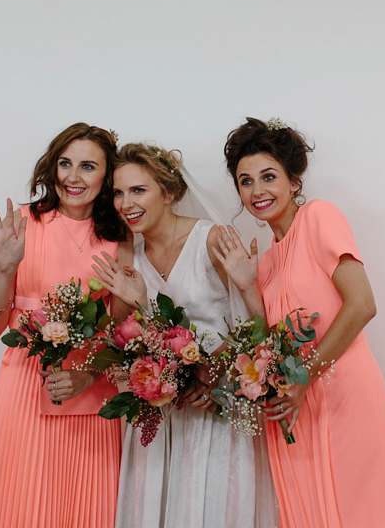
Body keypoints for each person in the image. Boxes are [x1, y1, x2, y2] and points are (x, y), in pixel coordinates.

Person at [214, 117, 385, 528]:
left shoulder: (320, 217)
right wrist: (248, 286)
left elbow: (361, 305)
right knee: (308, 511)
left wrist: (305, 375)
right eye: (246, 181)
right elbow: (271, 345)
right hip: (295, 404)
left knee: (361, 510)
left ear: (293, 181)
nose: (257, 191)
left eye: (268, 177)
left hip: (343, 393)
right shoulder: (267, 258)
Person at [90, 142, 277, 528]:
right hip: (160, 419)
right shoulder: (130, 258)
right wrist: (138, 303)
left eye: (138, 190)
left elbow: (256, 325)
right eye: (119, 192)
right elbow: (124, 343)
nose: (126, 203)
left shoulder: (212, 240)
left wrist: (209, 372)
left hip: (216, 410)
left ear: (170, 192)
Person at [0, 123, 130, 528]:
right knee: (22, 507)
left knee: (87, 508)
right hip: (26, 385)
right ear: (52, 167)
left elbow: (122, 329)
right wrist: (4, 268)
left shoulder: (120, 239)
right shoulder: (22, 223)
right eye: (65, 163)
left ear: (107, 176)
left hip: (91, 388)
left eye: (88, 166)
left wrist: (86, 375)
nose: (73, 177)